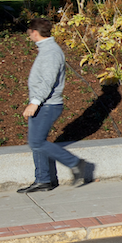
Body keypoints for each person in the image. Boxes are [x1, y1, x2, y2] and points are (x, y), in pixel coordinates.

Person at [19, 19, 93, 193]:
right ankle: (43, 180)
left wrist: (34, 103)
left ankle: (75, 163)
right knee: (36, 142)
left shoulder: (51, 52)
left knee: (36, 142)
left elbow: (48, 81)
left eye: (29, 32)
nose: (29, 36)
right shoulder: (47, 50)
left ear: (35, 32)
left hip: (47, 105)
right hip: (44, 104)